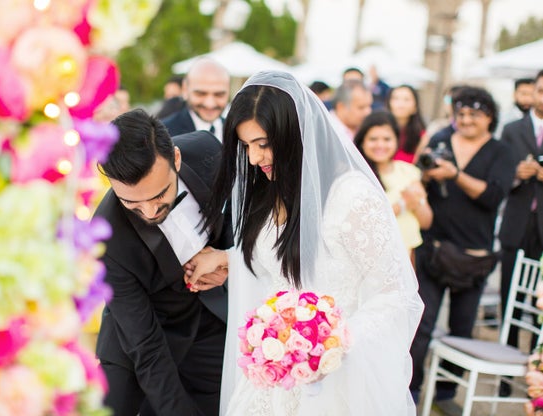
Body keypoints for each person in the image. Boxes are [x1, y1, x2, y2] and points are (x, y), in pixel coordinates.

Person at [185, 71, 423, 415]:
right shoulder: (272, 191)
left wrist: (329, 343)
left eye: (263, 144)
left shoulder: (352, 197)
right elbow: (283, 262)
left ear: (295, 135)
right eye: (247, 146)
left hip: (337, 377)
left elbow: (395, 294)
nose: (253, 159)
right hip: (274, 379)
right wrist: (229, 260)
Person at [93, 109, 233, 416]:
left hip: (208, 316)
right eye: (132, 203)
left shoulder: (210, 152)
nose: (149, 212)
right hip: (138, 334)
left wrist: (227, 264)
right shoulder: (105, 237)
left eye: (159, 196)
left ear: (177, 160)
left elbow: (242, 225)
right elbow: (147, 349)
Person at [409, 86, 516, 406]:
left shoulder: (501, 151)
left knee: (462, 326)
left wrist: (454, 174)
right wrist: (426, 173)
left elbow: (493, 197)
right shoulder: (441, 138)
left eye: (474, 114)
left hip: (474, 255)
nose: (466, 119)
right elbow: (418, 178)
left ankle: (445, 393)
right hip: (434, 246)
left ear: (490, 117)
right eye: (461, 114)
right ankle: (411, 391)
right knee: (422, 324)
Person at [498, 69, 543, 356]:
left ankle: (536, 366)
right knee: (508, 294)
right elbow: (499, 176)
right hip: (516, 222)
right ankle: (507, 364)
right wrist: (515, 174)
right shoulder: (512, 129)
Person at [354, 111, 433, 264]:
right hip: (373, 261)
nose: (380, 145)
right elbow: (362, 225)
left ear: (397, 140)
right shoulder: (356, 177)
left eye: (387, 139)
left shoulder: (409, 171)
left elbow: (426, 222)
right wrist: (402, 205)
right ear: (362, 141)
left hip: (407, 259)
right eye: (373, 139)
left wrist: (418, 201)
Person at [161, 58, 230, 142]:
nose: (210, 104)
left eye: (219, 95)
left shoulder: (237, 132)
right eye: (200, 94)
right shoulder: (163, 134)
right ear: (185, 90)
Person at [386, 84, 427, 164]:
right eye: (396, 98)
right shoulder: (379, 130)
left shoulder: (421, 137)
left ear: (415, 106)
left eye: (406, 99)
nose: (400, 104)